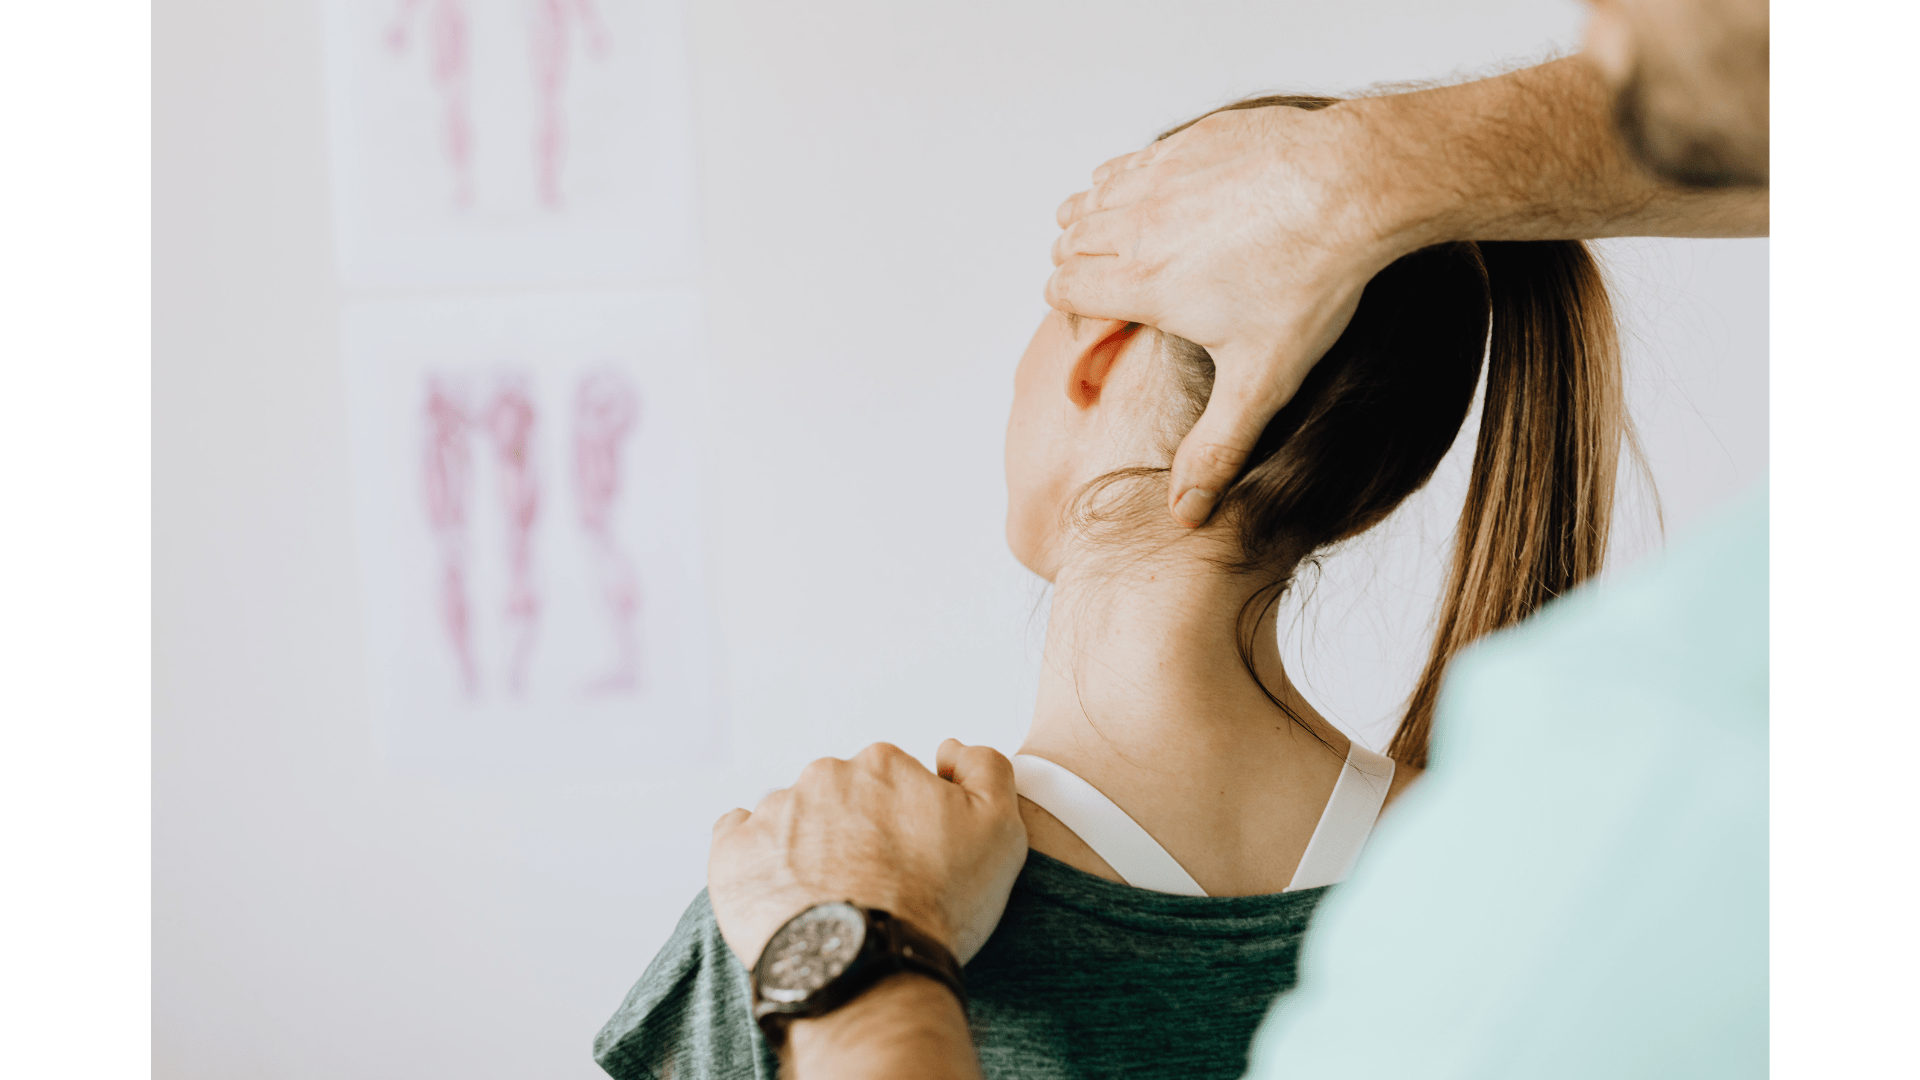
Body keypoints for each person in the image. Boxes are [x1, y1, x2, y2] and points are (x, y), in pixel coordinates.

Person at [688, 0, 1769, 1076]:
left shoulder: (804, 913)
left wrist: (846, 954)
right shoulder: (1579, 880)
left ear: (1098, 356)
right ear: (1370, 475)